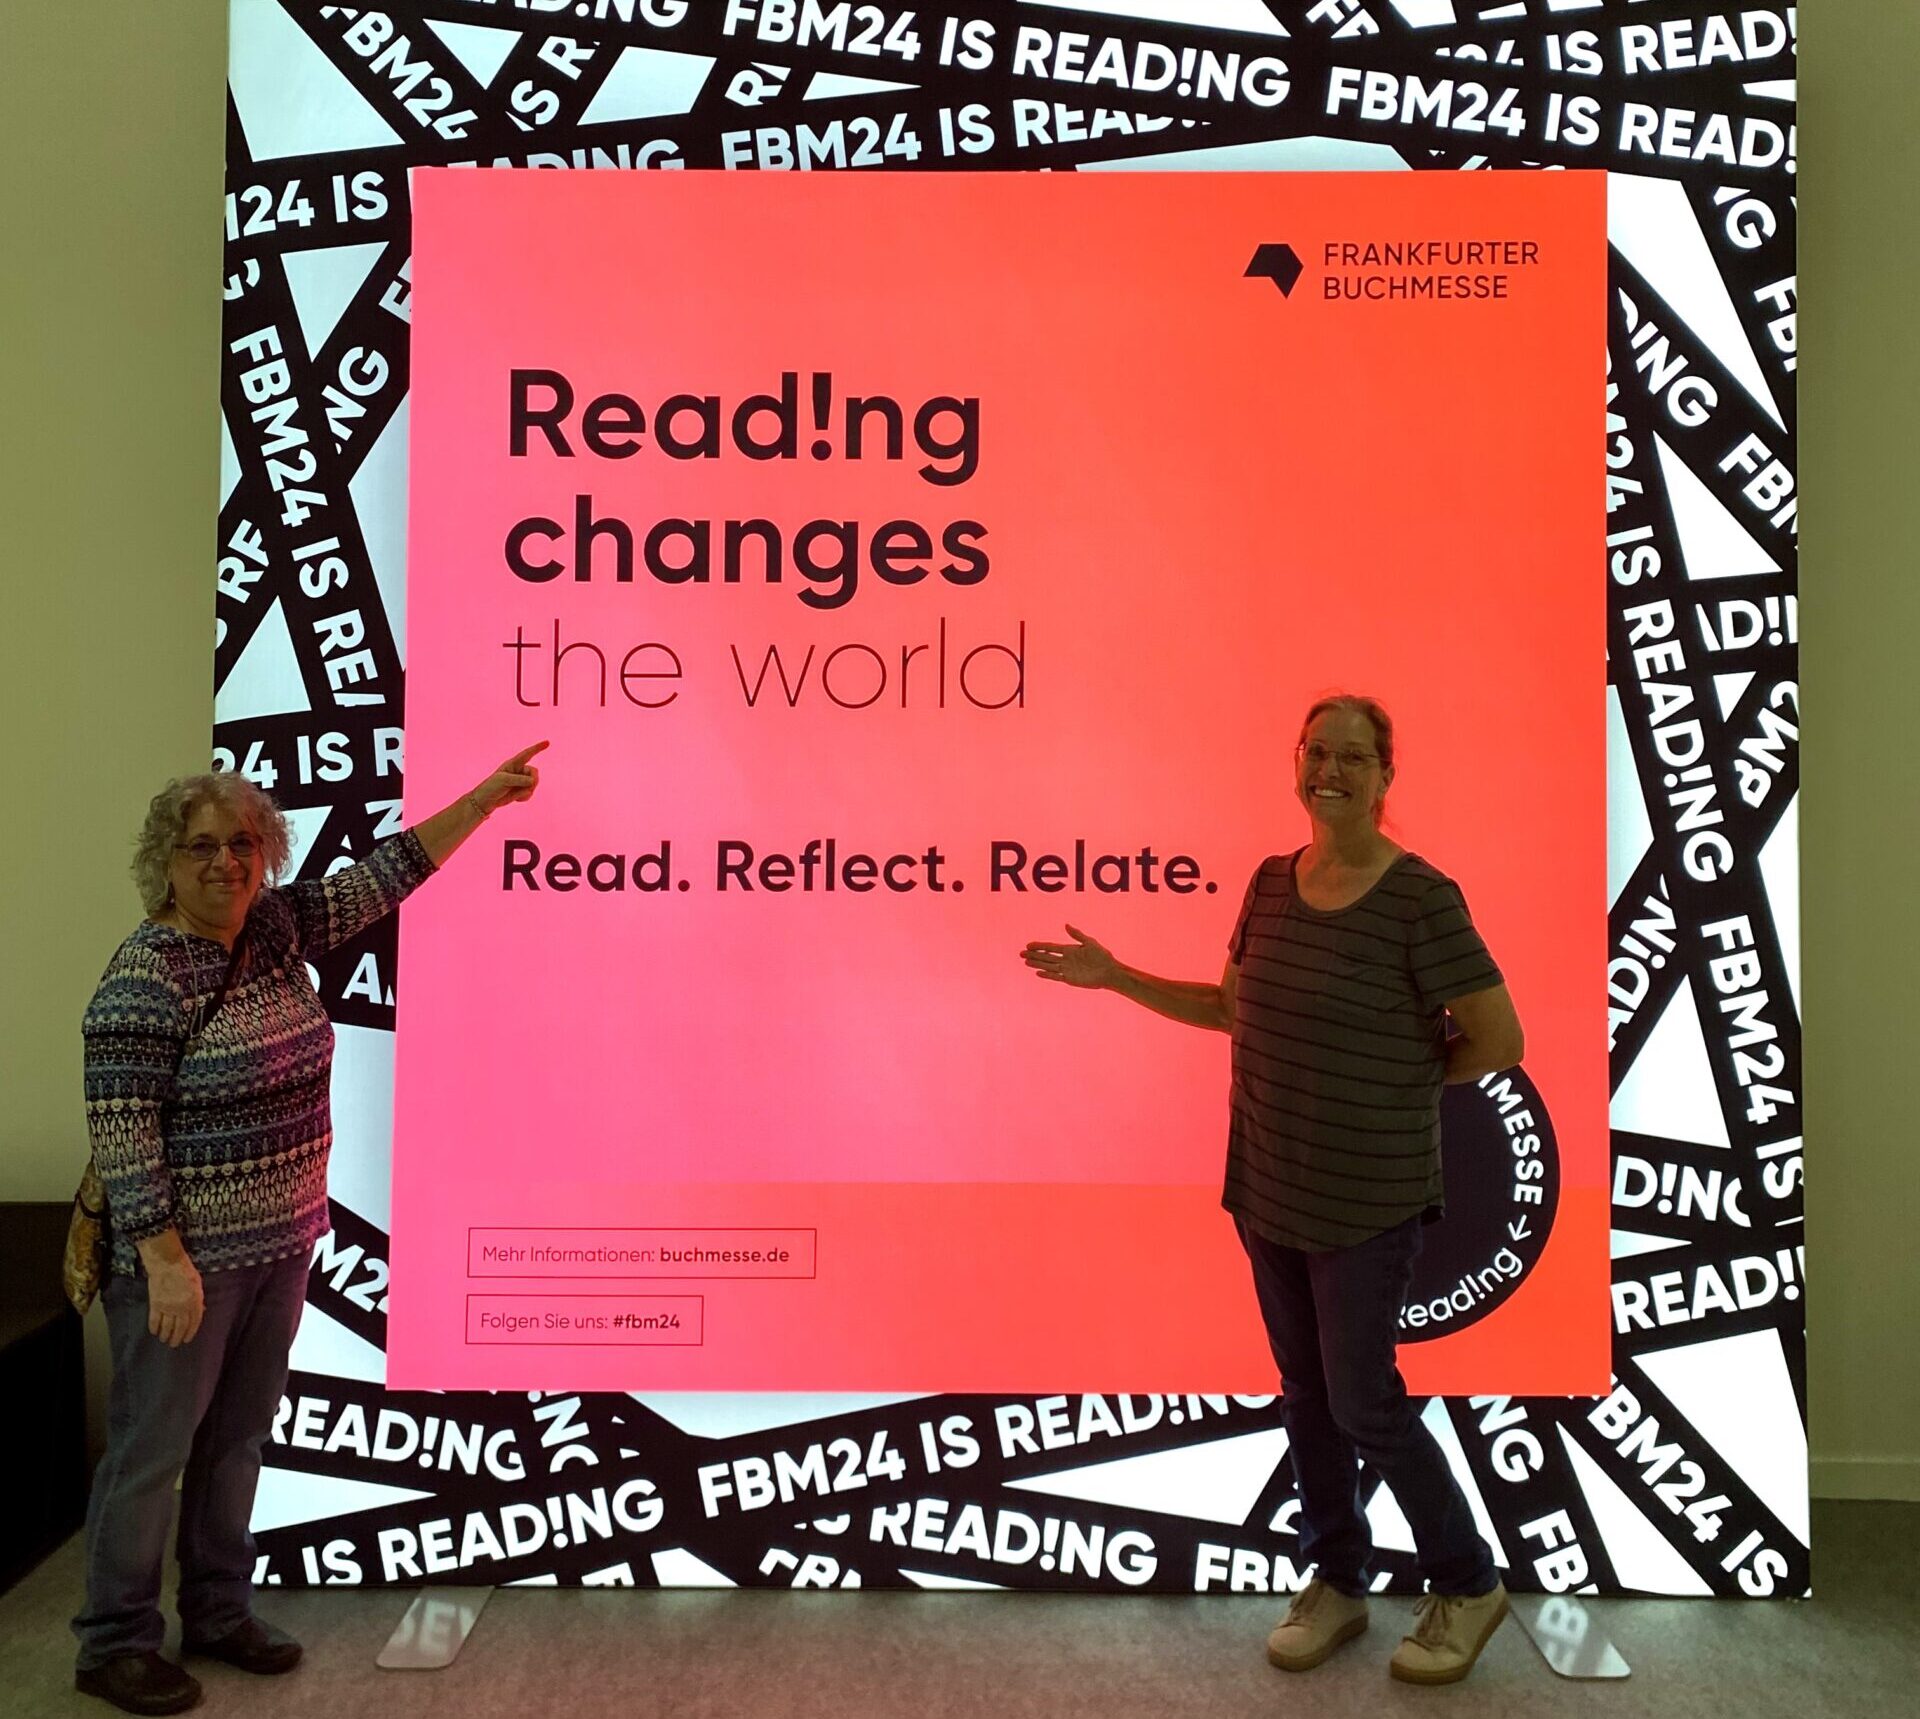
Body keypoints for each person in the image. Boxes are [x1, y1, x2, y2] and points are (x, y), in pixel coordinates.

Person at [1021, 695, 1523, 1686]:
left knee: (1366, 1403)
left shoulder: (1421, 897)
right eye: (1316, 752)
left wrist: (1393, 1075)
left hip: (1367, 1195)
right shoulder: (1270, 884)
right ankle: (1337, 1579)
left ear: (1386, 777)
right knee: (1308, 1400)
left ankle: (1468, 1584)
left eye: (1353, 756)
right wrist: (1116, 976)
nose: (1330, 769)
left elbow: (1499, 1040)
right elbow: (1232, 1011)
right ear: (1297, 763)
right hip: (1269, 1182)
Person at [72, 744, 546, 1716]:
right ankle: (113, 1642)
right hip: (187, 1269)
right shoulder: (145, 976)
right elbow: (121, 1133)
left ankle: (215, 1611)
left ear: (265, 852)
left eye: (242, 843)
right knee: (151, 1453)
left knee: (237, 1441)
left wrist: (484, 802)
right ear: (165, 861)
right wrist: (164, 1262)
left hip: (279, 1247)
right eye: (201, 847)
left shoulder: (276, 930)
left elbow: (383, 878)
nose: (224, 863)